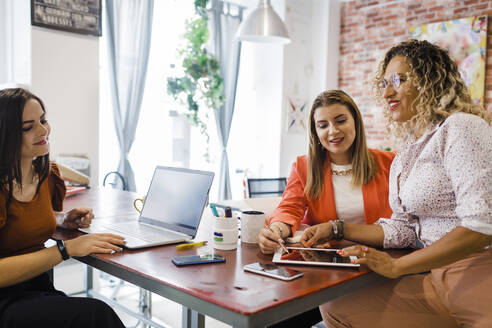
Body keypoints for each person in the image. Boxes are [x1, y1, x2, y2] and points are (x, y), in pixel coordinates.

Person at [301, 39, 492, 328]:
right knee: (335, 306)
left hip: (476, 271)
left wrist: (396, 266)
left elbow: (482, 225)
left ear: (430, 81)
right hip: (430, 276)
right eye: (384, 82)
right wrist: (336, 227)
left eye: (399, 80)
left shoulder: (461, 127)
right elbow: (403, 228)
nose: (388, 91)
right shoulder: (405, 154)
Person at [258, 89, 394, 328]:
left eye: (341, 120)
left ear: (355, 121)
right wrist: (277, 229)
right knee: (272, 318)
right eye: (323, 125)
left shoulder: (389, 163)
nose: (332, 131)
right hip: (326, 269)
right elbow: (289, 207)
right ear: (315, 131)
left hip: (374, 269)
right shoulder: (304, 166)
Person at [0, 88, 127, 327]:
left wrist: (61, 220)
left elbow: (21, 220)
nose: (43, 131)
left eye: (43, 120)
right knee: (95, 316)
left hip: (35, 288)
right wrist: (64, 249)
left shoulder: (45, 177)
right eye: (28, 127)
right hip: (5, 299)